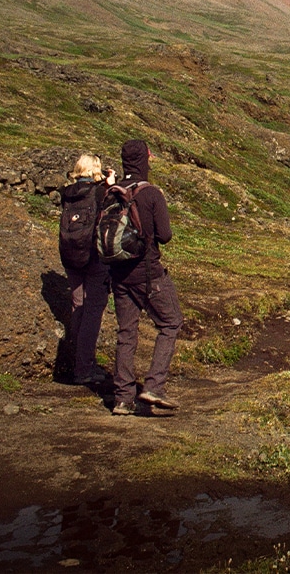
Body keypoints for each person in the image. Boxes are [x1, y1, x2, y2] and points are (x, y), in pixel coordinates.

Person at [107, 139, 183, 416]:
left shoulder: (111, 193)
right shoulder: (151, 194)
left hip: (118, 275)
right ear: (144, 159)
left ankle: (122, 399)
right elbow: (165, 235)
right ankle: (154, 386)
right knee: (171, 322)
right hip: (148, 275)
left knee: (127, 334)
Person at [59, 153, 115, 385]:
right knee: (93, 310)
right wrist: (109, 184)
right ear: (94, 170)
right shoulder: (99, 191)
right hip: (93, 257)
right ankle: (84, 367)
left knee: (78, 306)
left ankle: (76, 361)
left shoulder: (67, 194)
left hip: (70, 256)